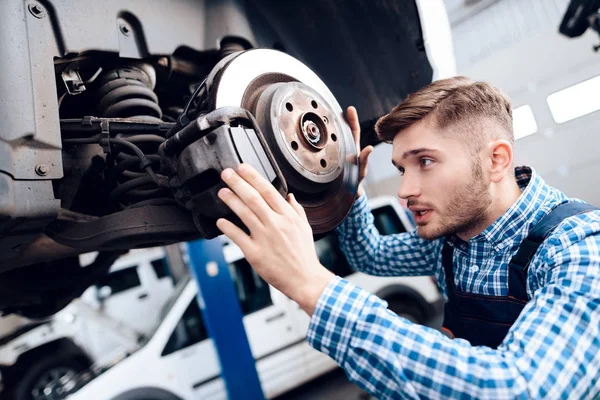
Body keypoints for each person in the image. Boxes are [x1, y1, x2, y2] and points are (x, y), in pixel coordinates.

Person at [215, 77, 600, 399]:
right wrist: (346, 185)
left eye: (425, 162)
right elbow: (371, 254)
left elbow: (520, 390)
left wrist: (313, 286)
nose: (405, 189)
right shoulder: (452, 240)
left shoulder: (579, 247)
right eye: (402, 168)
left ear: (496, 160)